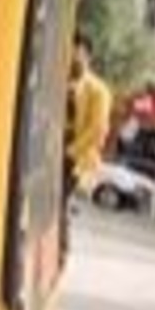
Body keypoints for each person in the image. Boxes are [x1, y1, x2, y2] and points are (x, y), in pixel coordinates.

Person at [64, 32, 113, 201]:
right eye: (70, 53)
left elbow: (98, 128)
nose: (73, 58)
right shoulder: (60, 82)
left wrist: (70, 152)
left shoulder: (98, 89)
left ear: (88, 56)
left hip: (76, 159)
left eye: (78, 54)